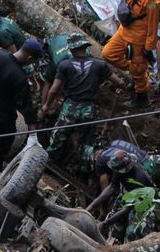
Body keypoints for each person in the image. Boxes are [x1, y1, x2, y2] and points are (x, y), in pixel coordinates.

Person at [41, 32, 124, 161]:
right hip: (90, 110)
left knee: (58, 137)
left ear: (71, 49)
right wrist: (125, 88)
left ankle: (48, 162)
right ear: (86, 47)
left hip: (70, 108)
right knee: (87, 143)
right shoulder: (99, 64)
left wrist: (46, 105)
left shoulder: (65, 65)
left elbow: (53, 90)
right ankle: (84, 166)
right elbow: (119, 82)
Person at [0, 39, 43, 188]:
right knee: (1, 146)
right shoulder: (20, 78)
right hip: (3, 117)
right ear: (30, 58)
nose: (32, 64)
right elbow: (27, 107)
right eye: (33, 61)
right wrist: (33, 135)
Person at [102, 0, 160, 110]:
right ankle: (135, 71)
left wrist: (149, 47)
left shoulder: (152, 0)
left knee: (138, 70)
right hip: (124, 31)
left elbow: (153, 25)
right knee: (108, 53)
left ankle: (141, 97)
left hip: (138, 39)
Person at [86, 140, 160, 217]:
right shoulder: (117, 154)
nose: (116, 173)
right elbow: (112, 186)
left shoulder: (140, 180)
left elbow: (129, 208)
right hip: (146, 162)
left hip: (144, 196)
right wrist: (92, 206)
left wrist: (105, 218)